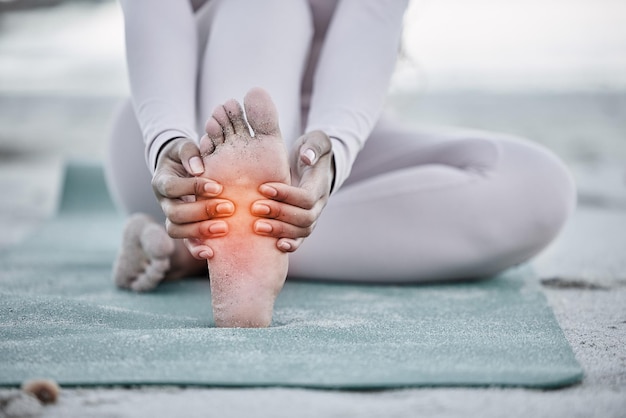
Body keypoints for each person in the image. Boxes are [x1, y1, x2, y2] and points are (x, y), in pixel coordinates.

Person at [105, 0, 576, 327]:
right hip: (178, 144)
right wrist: (165, 139)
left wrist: (331, 154)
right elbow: (155, 16)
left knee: (539, 185)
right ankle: (235, 226)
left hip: (324, 140)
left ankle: (226, 248)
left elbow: (371, 22)